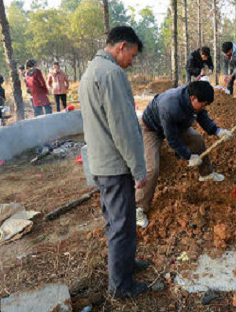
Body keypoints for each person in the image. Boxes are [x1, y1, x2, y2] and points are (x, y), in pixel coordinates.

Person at [78, 25, 151, 299]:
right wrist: (139, 168)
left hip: (101, 161)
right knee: (121, 224)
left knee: (117, 220)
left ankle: (126, 265)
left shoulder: (91, 71)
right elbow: (123, 128)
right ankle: (121, 287)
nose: (131, 62)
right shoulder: (112, 73)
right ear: (122, 47)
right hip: (114, 163)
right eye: (131, 55)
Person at [135, 81, 233, 228]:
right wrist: (188, 156)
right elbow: (172, 139)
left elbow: (202, 116)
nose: (204, 107)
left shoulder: (194, 98)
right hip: (152, 128)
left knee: (197, 139)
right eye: (204, 104)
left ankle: (206, 173)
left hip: (176, 124)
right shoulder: (170, 106)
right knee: (152, 168)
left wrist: (216, 131)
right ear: (193, 98)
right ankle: (139, 208)